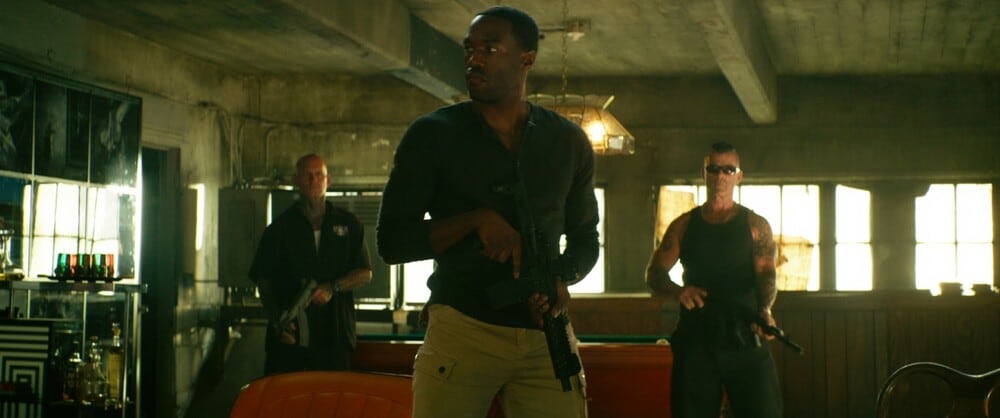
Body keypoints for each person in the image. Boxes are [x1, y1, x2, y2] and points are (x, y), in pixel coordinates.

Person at [376, 6, 599, 418]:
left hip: (545, 336)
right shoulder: (433, 135)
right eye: (469, 49)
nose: (474, 59)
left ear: (526, 58)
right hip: (463, 328)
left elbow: (586, 241)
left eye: (490, 49)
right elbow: (392, 242)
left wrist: (558, 279)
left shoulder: (567, 142)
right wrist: (474, 221)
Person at [645, 141, 783, 418]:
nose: (721, 176)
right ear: (704, 173)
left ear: (738, 176)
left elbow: (767, 274)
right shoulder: (684, 225)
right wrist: (679, 291)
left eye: (728, 169)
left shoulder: (755, 225)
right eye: (714, 169)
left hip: (745, 336)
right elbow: (654, 273)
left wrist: (765, 310)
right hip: (696, 341)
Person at [249, 153, 372, 375]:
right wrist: (278, 321)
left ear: (328, 180)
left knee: (331, 396)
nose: (314, 181)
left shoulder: (349, 224)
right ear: (295, 181)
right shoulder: (279, 229)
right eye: (307, 176)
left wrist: (332, 287)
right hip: (290, 339)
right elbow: (264, 281)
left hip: (334, 336)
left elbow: (365, 272)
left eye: (319, 175)